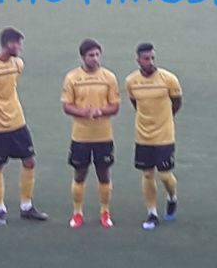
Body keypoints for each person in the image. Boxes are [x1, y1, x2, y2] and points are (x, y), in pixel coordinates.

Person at [0, 27, 48, 225]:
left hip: (17, 122)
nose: (20, 48)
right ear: (9, 44)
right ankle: (0, 208)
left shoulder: (18, 64)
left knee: (29, 161)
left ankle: (26, 206)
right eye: (18, 44)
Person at [61, 39, 120, 229]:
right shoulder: (72, 78)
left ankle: (105, 212)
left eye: (97, 55)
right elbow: (67, 106)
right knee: (80, 174)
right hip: (81, 136)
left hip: (103, 136)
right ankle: (77, 213)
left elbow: (115, 106)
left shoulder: (109, 77)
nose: (94, 58)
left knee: (104, 173)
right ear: (83, 57)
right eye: (90, 55)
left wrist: (100, 111)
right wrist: (84, 113)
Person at [125, 43, 182, 231]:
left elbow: (176, 103)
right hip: (143, 136)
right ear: (138, 60)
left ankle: (172, 197)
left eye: (152, 58)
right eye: (146, 59)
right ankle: (152, 213)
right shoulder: (131, 81)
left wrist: (164, 119)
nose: (150, 62)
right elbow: (136, 103)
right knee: (147, 174)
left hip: (164, 135)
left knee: (165, 175)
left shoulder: (169, 79)